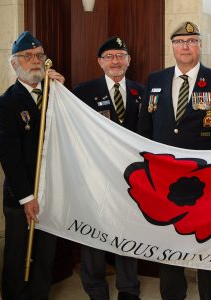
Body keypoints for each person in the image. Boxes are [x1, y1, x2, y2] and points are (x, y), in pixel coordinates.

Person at [138, 21, 211, 300]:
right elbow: (144, 129)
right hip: (164, 178)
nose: (185, 47)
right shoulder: (155, 80)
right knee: (168, 244)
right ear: (172, 47)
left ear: (200, 46)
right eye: (180, 42)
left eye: (192, 41)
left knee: (207, 244)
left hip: (206, 178)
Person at [0, 31, 65, 300]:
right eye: (27, 56)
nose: (35, 60)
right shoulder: (5, 103)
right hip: (21, 196)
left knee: (45, 257)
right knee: (17, 256)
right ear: (14, 63)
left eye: (39, 55)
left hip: (51, 193)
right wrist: (27, 198)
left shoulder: (56, 94)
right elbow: (9, 157)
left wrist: (62, 92)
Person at [73, 36, 143, 300]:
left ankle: (128, 288)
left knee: (128, 234)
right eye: (110, 57)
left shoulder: (142, 91)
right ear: (100, 62)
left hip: (131, 179)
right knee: (94, 235)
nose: (116, 61)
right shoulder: (82, 92)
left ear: (128, 61)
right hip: (96, 177)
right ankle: (96, 290)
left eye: (121, 56)